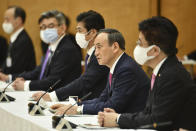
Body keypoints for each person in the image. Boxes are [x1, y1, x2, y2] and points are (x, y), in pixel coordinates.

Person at [98, 16, 196, 130]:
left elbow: (156, 120)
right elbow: (148, 114)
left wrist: (117, 119)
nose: (136, 46)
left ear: (154, 50)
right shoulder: (163, 70)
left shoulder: (172, 75)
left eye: (140, 43)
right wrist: (118, 116)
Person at [50, 28, 150, 115]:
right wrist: (72, 105)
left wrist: (79, 109)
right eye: (95, 48)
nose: (96, 53)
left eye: (99, 47)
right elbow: (102, 99)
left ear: (115, 47)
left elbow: (113, 106)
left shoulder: (126, 69)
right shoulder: (116, 66)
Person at [32, 10, 109, 101]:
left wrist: (53, 96)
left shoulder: (101, 54)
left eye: (80, 30)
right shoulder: (91, 53)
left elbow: (85, 82)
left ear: (92, 32)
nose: (77, 35)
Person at [12, 10, 82, 92]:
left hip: (61, 100)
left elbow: (53, 80)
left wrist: (26, 85)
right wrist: (15, 78)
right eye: (43, 27)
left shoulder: (67, 49)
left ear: (62, 28)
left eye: (51, 26)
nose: (46, 30)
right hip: (46, 94)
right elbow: (40, 70)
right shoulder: (52, 46)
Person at [0, 6, 36, 82]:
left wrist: (4, 75)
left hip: (20, 82)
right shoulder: (15, 38)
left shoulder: (23, 40)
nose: (4, 23)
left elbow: (17, 67)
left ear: (18, 20)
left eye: (7, 19)